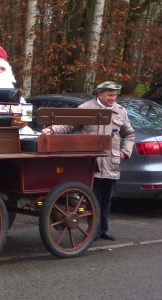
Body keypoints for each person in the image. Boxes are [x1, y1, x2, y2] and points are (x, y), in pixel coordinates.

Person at [41, 81, 135, 241]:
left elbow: (129, 134)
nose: (113, 98)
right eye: (110, 95)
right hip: (91, 162)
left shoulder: (120, 111)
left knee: (106, 199)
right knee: (93, 198)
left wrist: (125, 153)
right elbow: (67, 126)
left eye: (115, 95)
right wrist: (51, 130)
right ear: (99, 94)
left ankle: (103, 230)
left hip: (111, 161)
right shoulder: (86, 109)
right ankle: (94, 231)